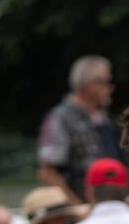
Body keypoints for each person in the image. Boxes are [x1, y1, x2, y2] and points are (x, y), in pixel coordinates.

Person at [38, 55, 120, 206]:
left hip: (114, 208)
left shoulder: (106, 118)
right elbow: (48, 172)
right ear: (88, 84)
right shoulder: (61, 118)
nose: (110, 88)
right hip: (84, 212)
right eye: (106, 82)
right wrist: (77, 209)